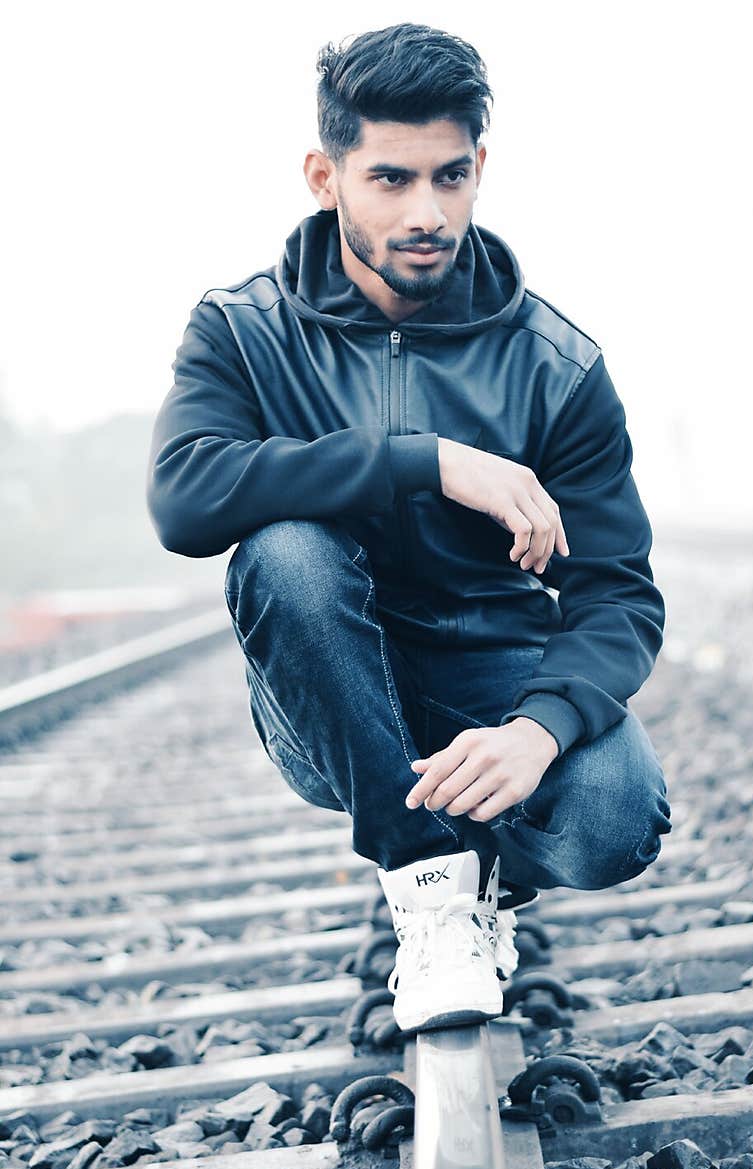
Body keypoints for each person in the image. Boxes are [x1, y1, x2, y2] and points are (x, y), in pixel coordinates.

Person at [146, 22, 673, 1034]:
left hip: (493, 669)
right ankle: (426, 881)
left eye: (450, 177)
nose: (426, 211)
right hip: (332, 693)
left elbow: (618, 592)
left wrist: (539, 727)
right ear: (323, 173)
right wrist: (426, 458)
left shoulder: (553, 364)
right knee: (285, 547)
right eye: (389, 179)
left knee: (617, 816)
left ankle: (486, 861)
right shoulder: (241, 330)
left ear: (480, 168)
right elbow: (183, 497)